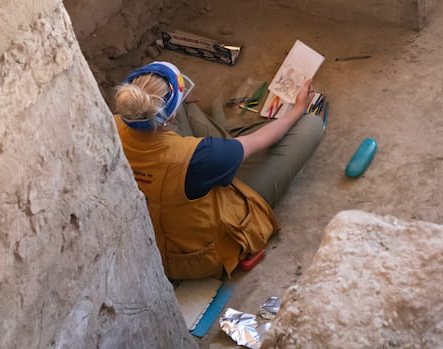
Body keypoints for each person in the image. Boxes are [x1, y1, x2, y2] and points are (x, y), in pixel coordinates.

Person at [113, 60, 324, 280]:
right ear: (171, 117)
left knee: (210, 137)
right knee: (311, 125)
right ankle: (228, 138)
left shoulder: (110, 124)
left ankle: (223, 137)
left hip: (149, 240)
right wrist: (299, 108)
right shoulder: (201, 156)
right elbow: (259, 140)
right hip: (191, 257)